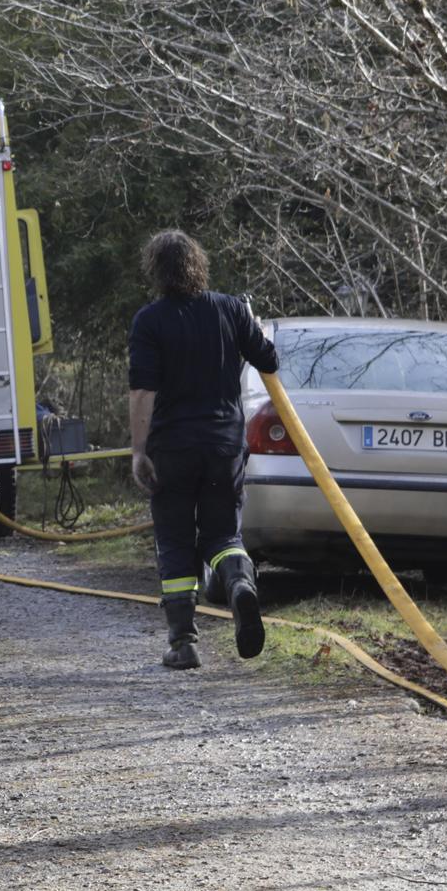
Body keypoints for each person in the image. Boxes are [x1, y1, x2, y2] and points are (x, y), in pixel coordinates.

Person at [127, 230, 279, 671]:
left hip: (171, 450)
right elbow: (268, 360)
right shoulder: (231, 309)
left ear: (156, 271)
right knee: (223, 536)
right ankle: (239, 586)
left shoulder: (149, 321)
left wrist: (139, 450)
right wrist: (251, 322)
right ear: (199, 265)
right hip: (224, 448)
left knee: (175, 540)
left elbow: (142, 392)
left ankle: (183, 642)